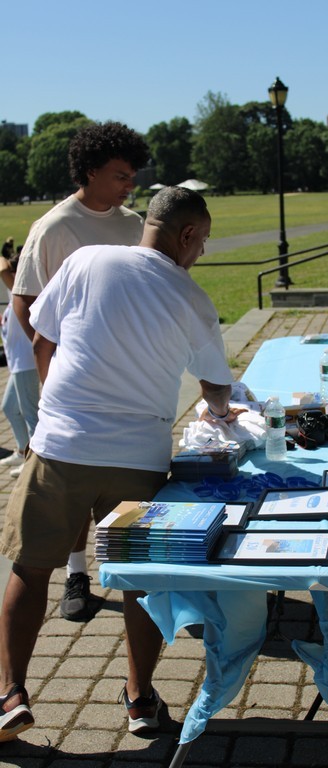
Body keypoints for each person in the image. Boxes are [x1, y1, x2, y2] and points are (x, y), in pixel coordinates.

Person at [0, 185, 238, 742]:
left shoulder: (86, 260)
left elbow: (43, 339)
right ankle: (139, 699)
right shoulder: (192, 297)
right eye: (202, 240)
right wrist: (223, 412)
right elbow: (217, 387)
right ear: (185, 234)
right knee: (140, 580)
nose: (202, 251)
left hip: (61, 446)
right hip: (139, 457)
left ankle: (10, 695)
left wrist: (48, 413)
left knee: (30, 568)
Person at [12, 120, 150, 622]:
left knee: (121, 488)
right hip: (70, 384)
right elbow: (25, 302)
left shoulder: (134, 225)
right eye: (120, 175)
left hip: (129, 379)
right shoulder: (54, 228)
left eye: (132, 175)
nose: (129, 185)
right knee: (69, 488)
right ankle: (76, 574)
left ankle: (136, 579)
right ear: (90, 171)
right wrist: (60, 359)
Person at [0, 251, 39, 473]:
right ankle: (23, 452)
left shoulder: (21, 291)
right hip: (17, 365)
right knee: (10, 408)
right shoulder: (14, 294)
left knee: (30, 414)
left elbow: (3, 269)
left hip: (26, 364)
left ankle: (34, 466)